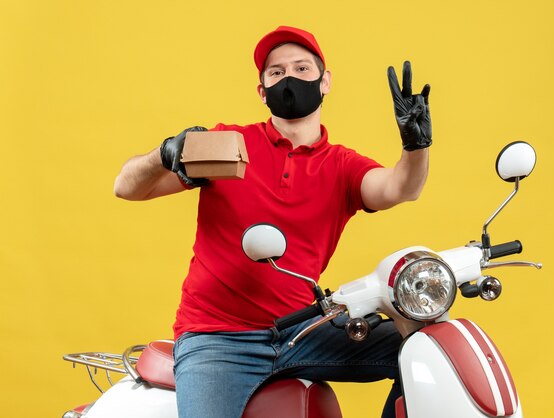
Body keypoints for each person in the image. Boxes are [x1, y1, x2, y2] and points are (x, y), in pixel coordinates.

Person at [114, 26, 432, 418]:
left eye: (302, 68)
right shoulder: (227, 144)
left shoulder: (342, 166)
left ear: (325, 81)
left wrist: (415, 146)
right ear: (262, 90)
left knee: (425, 349)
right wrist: (164, 154)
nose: (290, 78)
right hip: (217, 338)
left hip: (303, 331)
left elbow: (402, 187)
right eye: (276, 72)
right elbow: (127, 187)